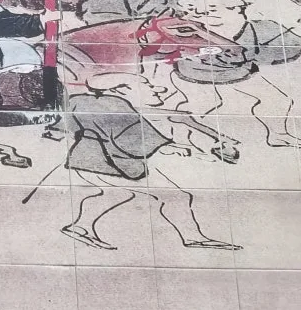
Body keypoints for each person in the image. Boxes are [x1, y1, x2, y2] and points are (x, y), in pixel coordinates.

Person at [59, 72, 240, 251]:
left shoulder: (81, 101)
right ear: (120, 90)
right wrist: (164, 147)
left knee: (115, 194)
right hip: (109, 164)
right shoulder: (117, 105)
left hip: (85, 159)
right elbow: (129, 136)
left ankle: (81, 227)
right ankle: (193, 238)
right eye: (147, 85)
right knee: (176, 197)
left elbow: (69, 124)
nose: (158, 89)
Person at [171, 0, 301, 150]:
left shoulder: (259, 27)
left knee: (277, 100)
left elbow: (284, 39)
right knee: (202, 104)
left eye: (211, 10)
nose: (198, 15)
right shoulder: (188, 32)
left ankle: (279, 135)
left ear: (237, 9)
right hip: (196, 71)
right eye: (191, 11)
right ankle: (180, 140)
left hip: (238, 71)